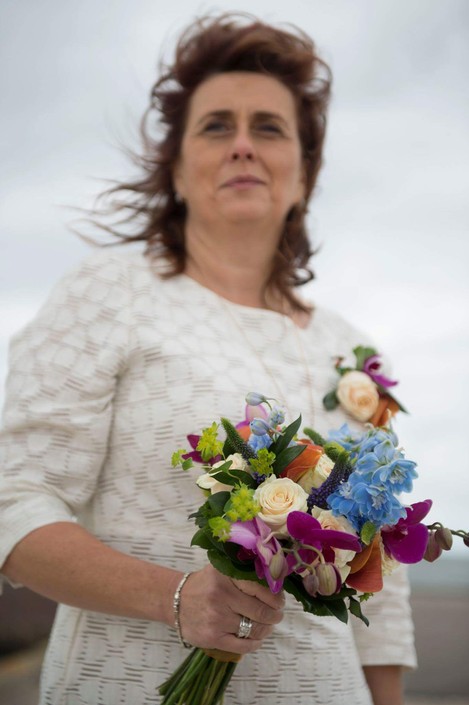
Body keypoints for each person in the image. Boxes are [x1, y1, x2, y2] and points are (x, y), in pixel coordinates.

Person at [0, 13, 416, 705]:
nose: (243, 146)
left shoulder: (354, 351)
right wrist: (178, 595)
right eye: (216, 125)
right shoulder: (107, 290)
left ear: (304, 176)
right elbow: (12, 500)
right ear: (177, 170)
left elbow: (384, 581)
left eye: (270, 128)